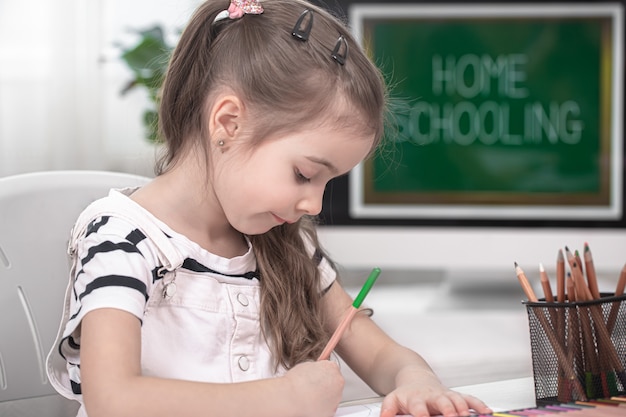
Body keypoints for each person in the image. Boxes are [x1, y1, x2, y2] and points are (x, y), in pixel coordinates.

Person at [46, 1, 493, 417]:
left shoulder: (285, 245)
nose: (313, 204)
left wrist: (416, 380)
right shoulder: (122, 239)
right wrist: (282, 397)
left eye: (327, 183)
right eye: (304, 173)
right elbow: (113, 398)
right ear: (228, 123)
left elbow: (379, 355)